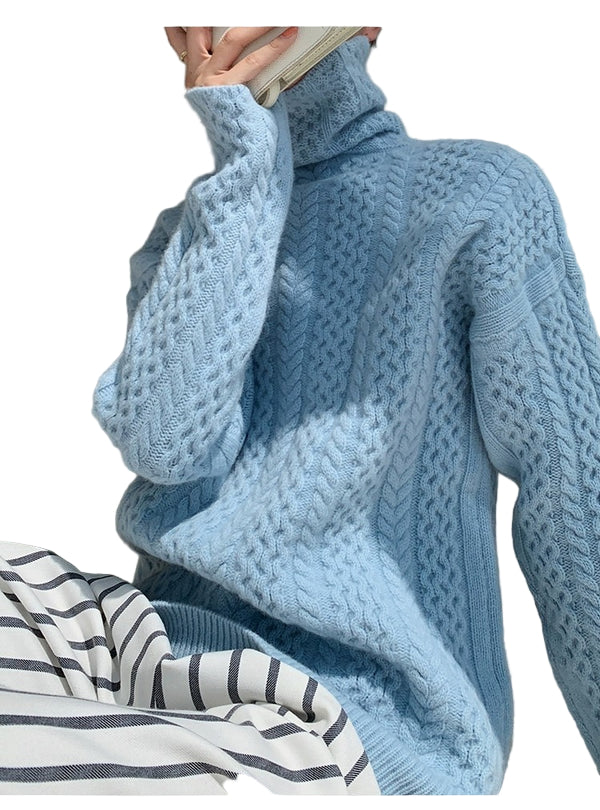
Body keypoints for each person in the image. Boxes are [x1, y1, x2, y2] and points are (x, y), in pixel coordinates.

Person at [3, 25, 600, 796]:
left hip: (339, 715)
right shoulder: (191, 231)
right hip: (145, 645)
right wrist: (244, 166)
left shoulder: (481, 199)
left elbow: (577, 504)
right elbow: (165, 443)